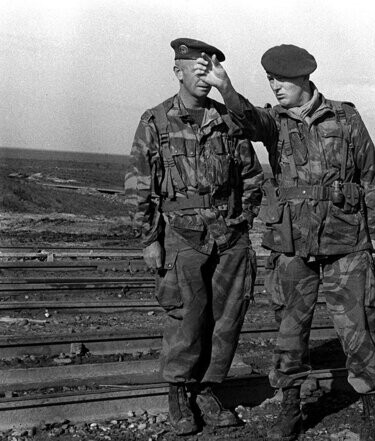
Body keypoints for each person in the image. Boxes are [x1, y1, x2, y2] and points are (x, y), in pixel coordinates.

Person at [194, 44, 375, 441]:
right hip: (291, 244)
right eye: (270, 80)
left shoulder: (345, 117)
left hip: (346, 245)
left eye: (281, 80)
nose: (276, 86)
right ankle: (290, 409)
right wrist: (225, 87)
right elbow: (246, 119)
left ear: (304, 79)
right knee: (288, 332)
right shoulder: (274, 122)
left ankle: (371, 412)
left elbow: (371, 174)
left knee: (358, 330)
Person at [124, 38, 263, 436]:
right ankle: (179, 393)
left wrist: (244, 219)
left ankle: (207, 389)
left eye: (210, 70)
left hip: (229, 235)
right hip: (181, 235)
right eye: (196, 70)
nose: (203, 78)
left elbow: (252, 175)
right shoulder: (156, 121)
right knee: (185, 317)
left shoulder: (227, 120)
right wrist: (150, 238)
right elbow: (138, 183)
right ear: (178, 72)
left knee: (226, 317)